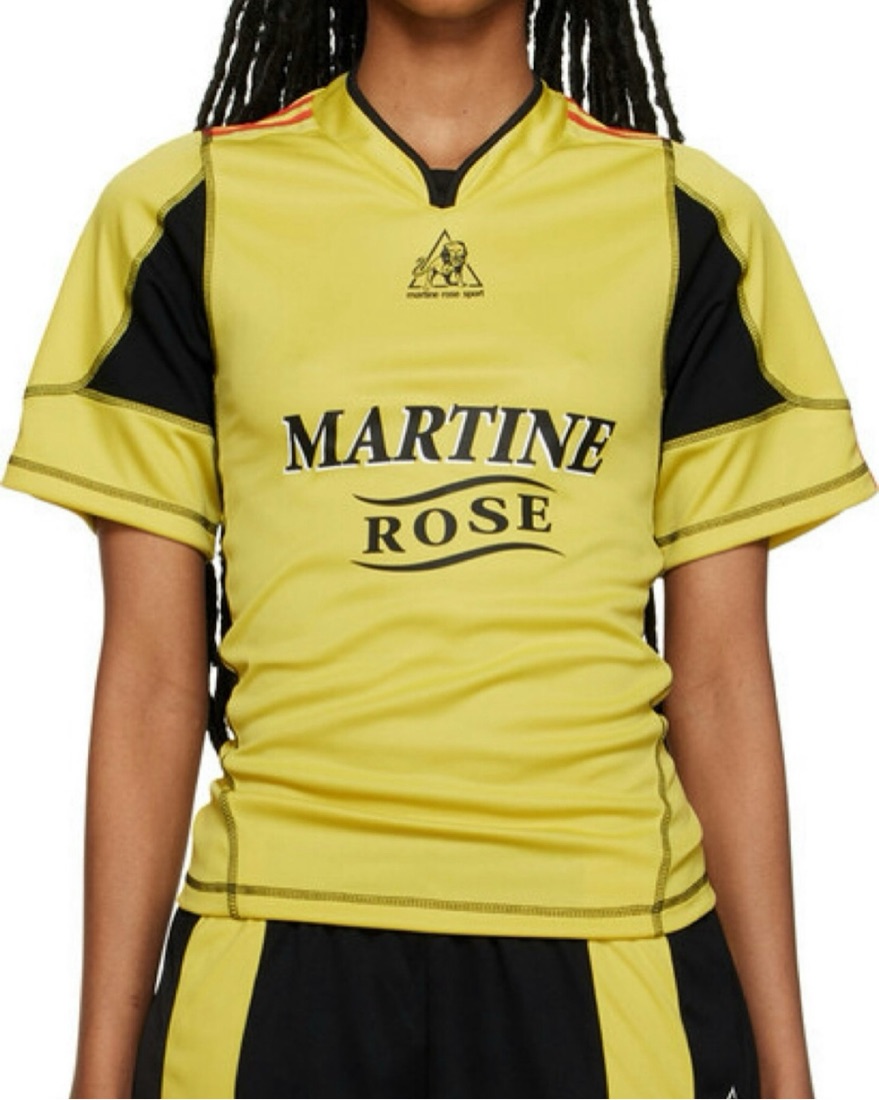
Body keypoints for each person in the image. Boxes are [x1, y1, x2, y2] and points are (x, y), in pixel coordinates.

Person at [2, 0, 875, 1096]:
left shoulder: (686, 219)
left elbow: (721, 681)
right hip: (272, 940)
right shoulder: (188, 208)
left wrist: (790, 1073)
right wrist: (97, 1073)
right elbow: (150, 678)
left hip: (612, 940)